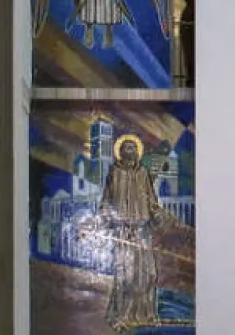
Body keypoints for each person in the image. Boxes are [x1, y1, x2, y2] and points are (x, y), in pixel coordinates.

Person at [101, 138, 175, 329]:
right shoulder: (114, 173)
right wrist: (106, 222)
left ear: (137, 152)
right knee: (126, 276)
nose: (130, 150)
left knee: (148, 274)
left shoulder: (143, 173)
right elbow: (107, 202)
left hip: (142, 231)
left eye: (133, 147)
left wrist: (161, 217)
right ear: (121, 152)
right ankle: (122, 317)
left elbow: (151, 201)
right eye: (127, 148)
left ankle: (146, 315)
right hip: (123, 231)